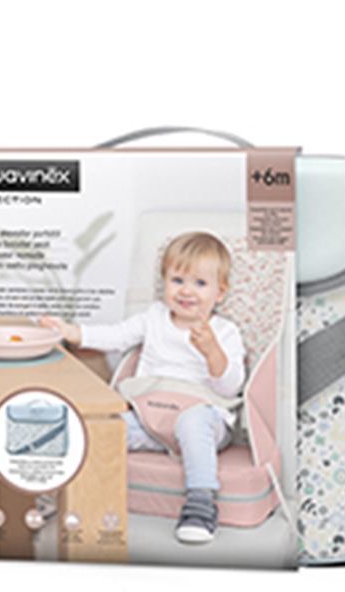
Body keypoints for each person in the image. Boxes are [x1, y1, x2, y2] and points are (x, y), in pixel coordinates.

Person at [38, 232, 244, 543]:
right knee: (106, 429)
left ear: (220, 293)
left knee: (192, 421)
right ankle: (62, 482)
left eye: (200, 283)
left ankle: (201, 503)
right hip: (150, 419)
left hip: (204, 420)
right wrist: (70, 331)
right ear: (164, 282)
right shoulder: (154, 318)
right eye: (177, 280)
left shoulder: (225, 331)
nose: (186, 291)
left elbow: (230, 387)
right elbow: (115, 336)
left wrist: (212, 351)